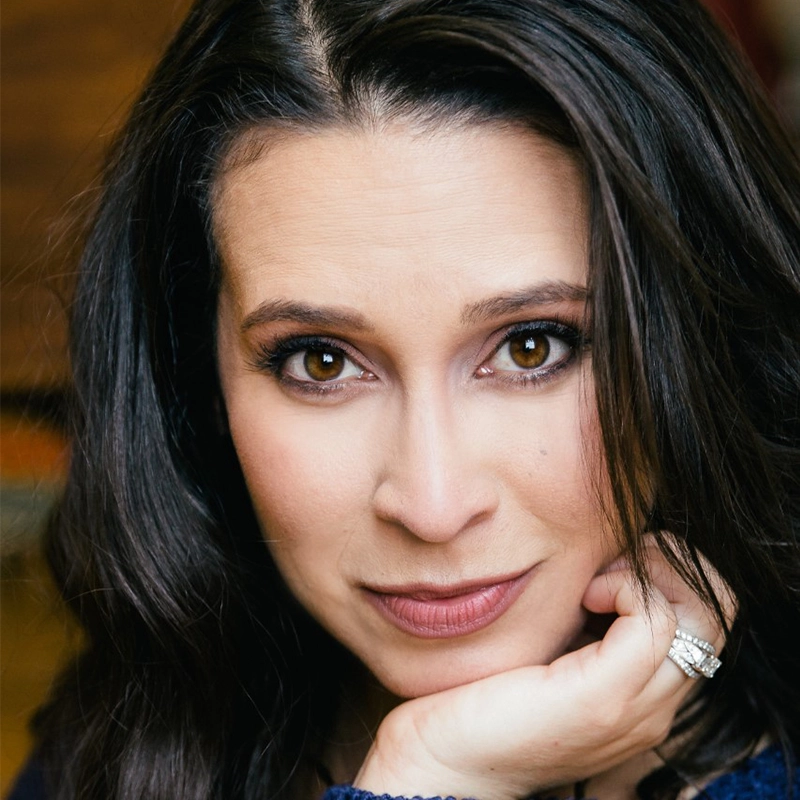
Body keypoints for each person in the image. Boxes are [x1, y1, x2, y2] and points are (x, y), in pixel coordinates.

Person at [10, 0, 799, 798]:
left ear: (700, 337)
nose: (431, 505)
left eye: (534, 346)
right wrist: (433, 778)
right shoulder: (118, 748)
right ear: (196, 378)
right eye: (320, 363)